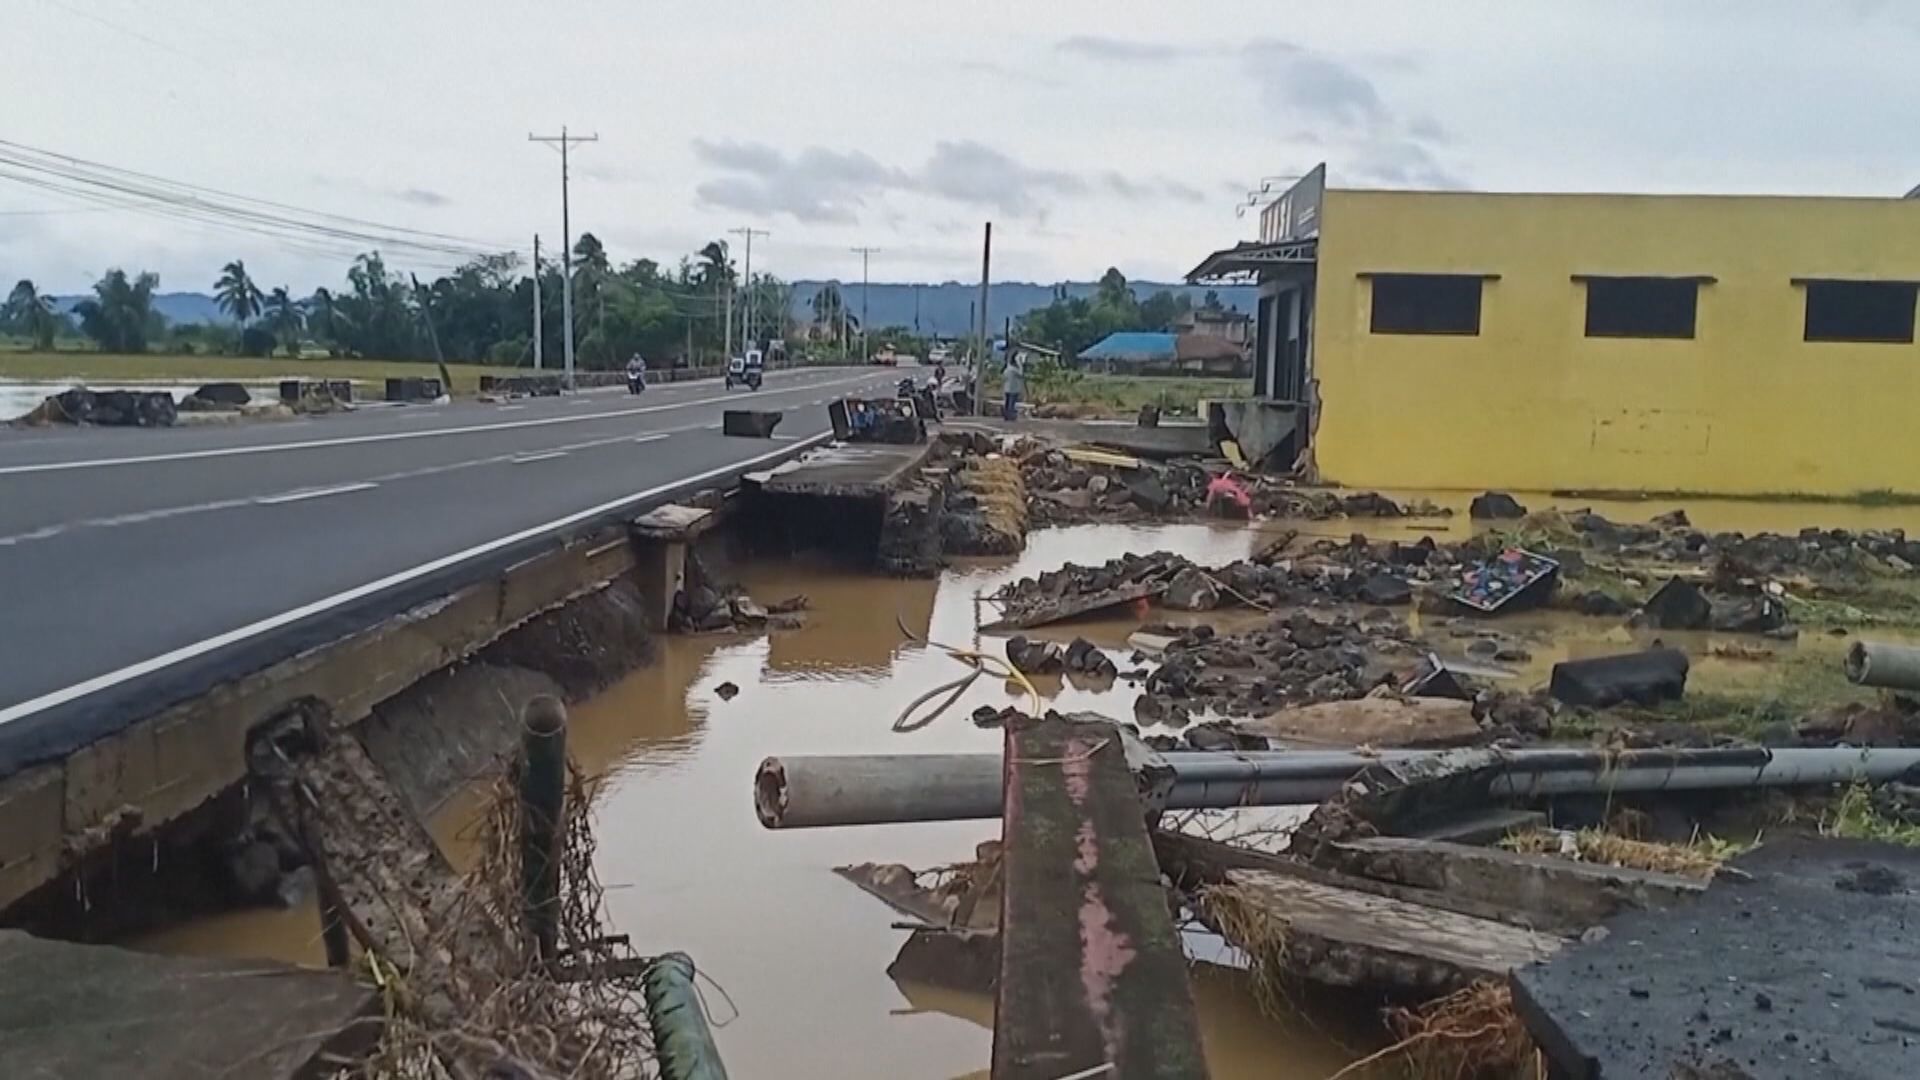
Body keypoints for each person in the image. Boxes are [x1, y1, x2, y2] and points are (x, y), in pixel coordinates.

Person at [1001, 353, 1025, 422]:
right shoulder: (1013, 370)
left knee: (1007, 403)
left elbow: (1003, 377)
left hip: (1007, 388)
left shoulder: (1007, 369)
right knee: (1011, 404)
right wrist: (1020, 364)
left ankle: (1006, 416)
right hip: (1013, 389)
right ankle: (1010, 416)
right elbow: (1021, 374)